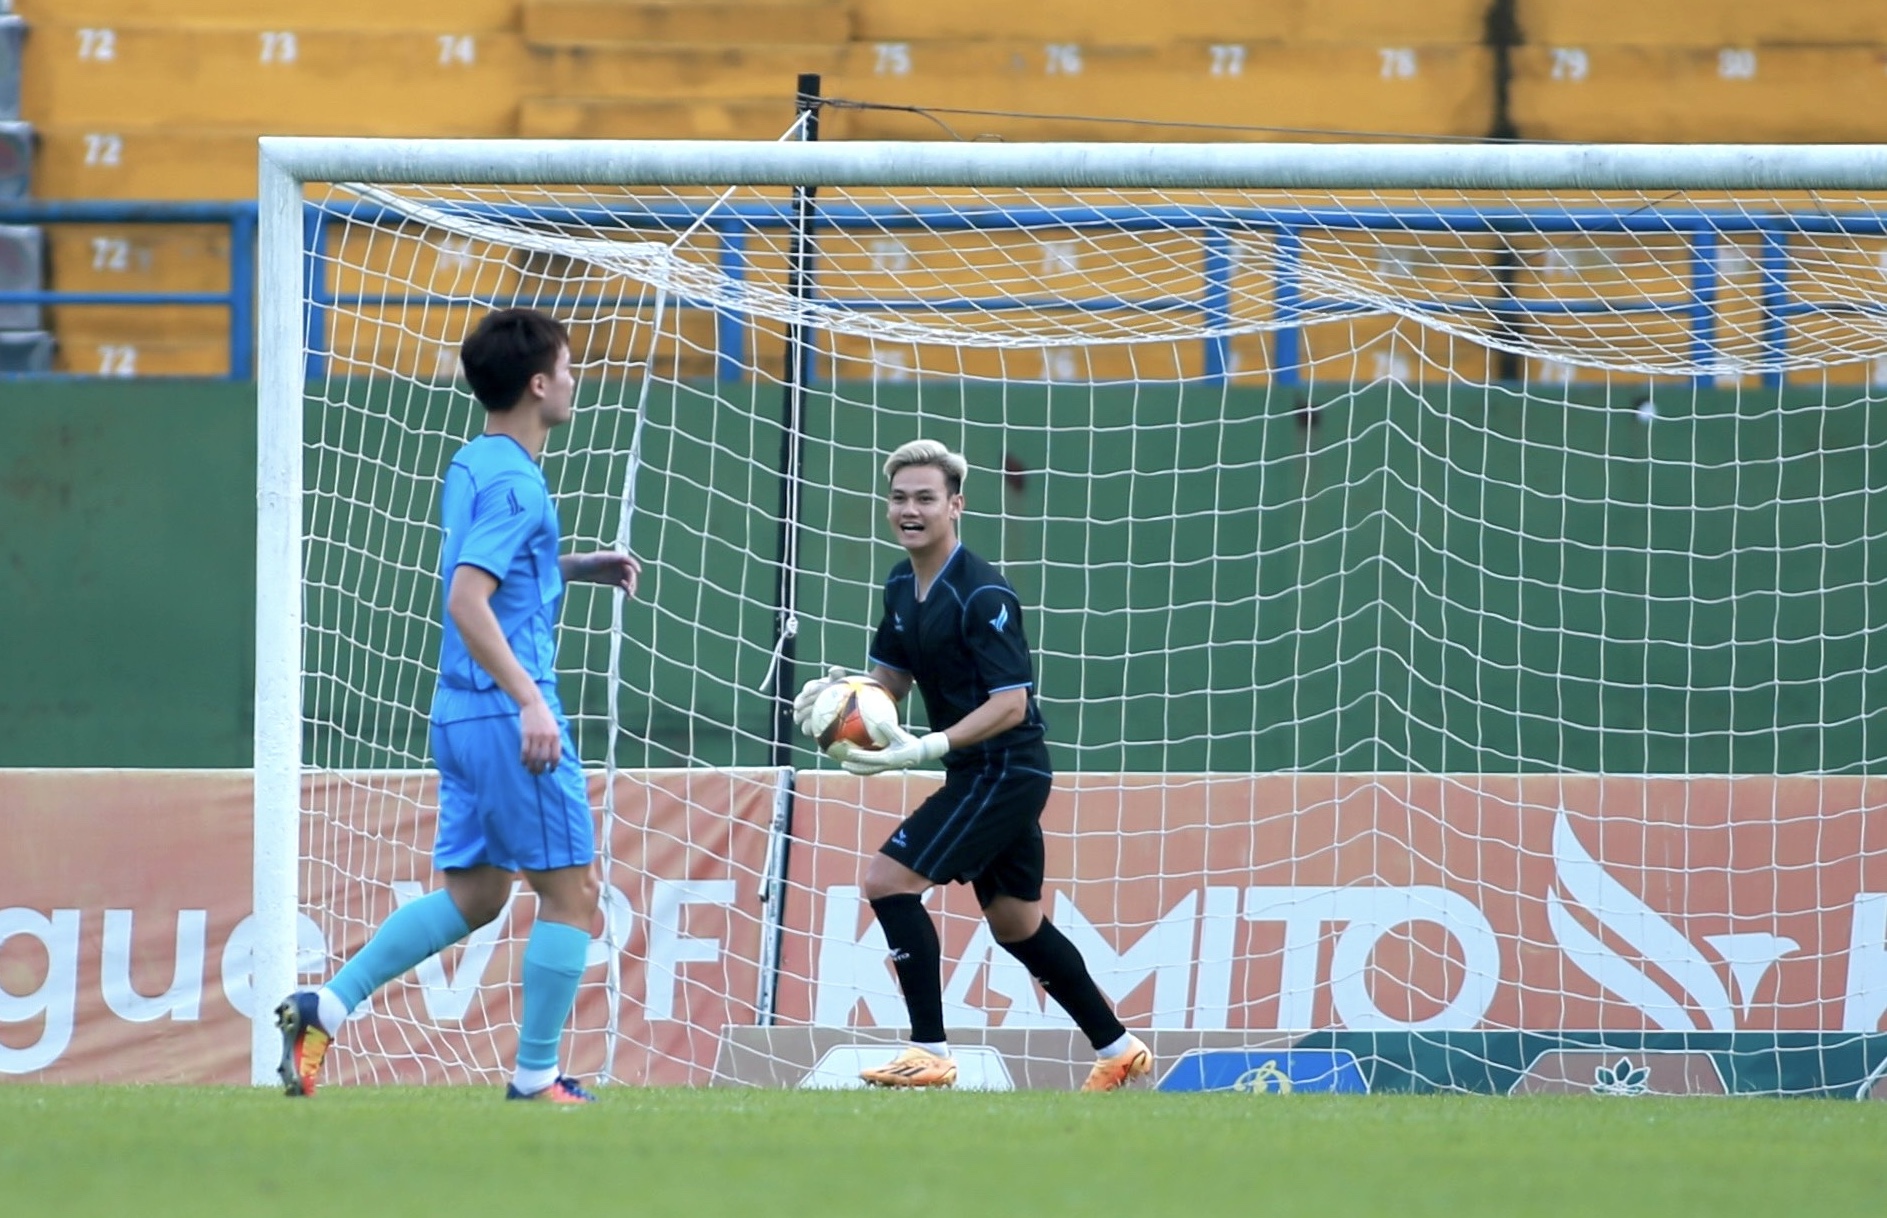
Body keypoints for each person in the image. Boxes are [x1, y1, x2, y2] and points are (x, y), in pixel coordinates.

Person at [276, 307, 640, 1103]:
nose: (576, 380)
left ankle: (323, 1006)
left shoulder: (476, 462)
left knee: (478, 894)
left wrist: (572, 566)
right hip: (510, 715)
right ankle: (536, 1078)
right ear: (539, 382)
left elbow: (500, 576)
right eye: (569, 367)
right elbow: (468, 600)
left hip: (459, 716)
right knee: (573, 896)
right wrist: (530, 704)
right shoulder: (516, 478)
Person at [794, 439, 1151, 1092]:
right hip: (977, 772)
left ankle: (928, 1050)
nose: (910, 509)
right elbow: (889, 683)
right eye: (899, 498)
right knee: (1016, 924)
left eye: (925, 498)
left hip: (1003, 770)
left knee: (887, 882)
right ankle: (1118, 1047)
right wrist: (842, 705)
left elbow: (1011, 705)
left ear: (954, 505)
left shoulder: (982, 592)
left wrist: (926, 747)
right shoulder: (901, 583)